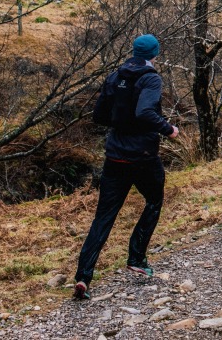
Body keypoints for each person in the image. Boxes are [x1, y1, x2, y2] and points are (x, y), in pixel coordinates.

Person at [72, 34, 178, 300]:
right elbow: (145, 112)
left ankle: (83, 277)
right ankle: (136, 258)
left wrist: (121, 121)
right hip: (142, 156)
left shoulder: (115, 76)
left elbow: (98, 115)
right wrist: (169, 129)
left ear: (134, 52)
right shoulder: (150, 78)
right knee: (154, 200)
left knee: (104, 216)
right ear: (155, 54)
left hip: (115, 155)